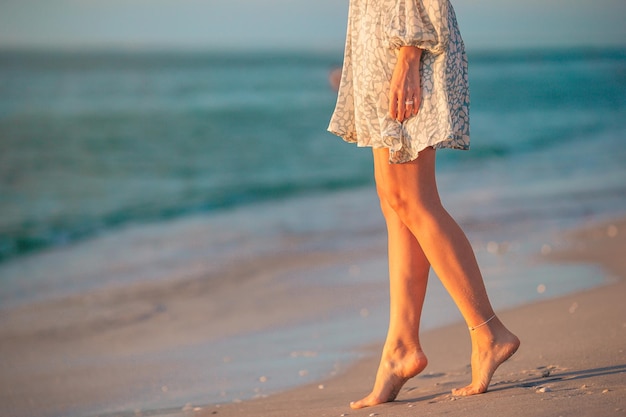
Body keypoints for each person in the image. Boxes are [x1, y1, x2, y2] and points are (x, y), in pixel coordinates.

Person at [327, 0, 520, 410]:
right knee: (395, 202)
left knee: (413, 198)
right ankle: (401, 347)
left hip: (407, 40)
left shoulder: (409, 48)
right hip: (382, 39)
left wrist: (409, 53)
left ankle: (489, 332)